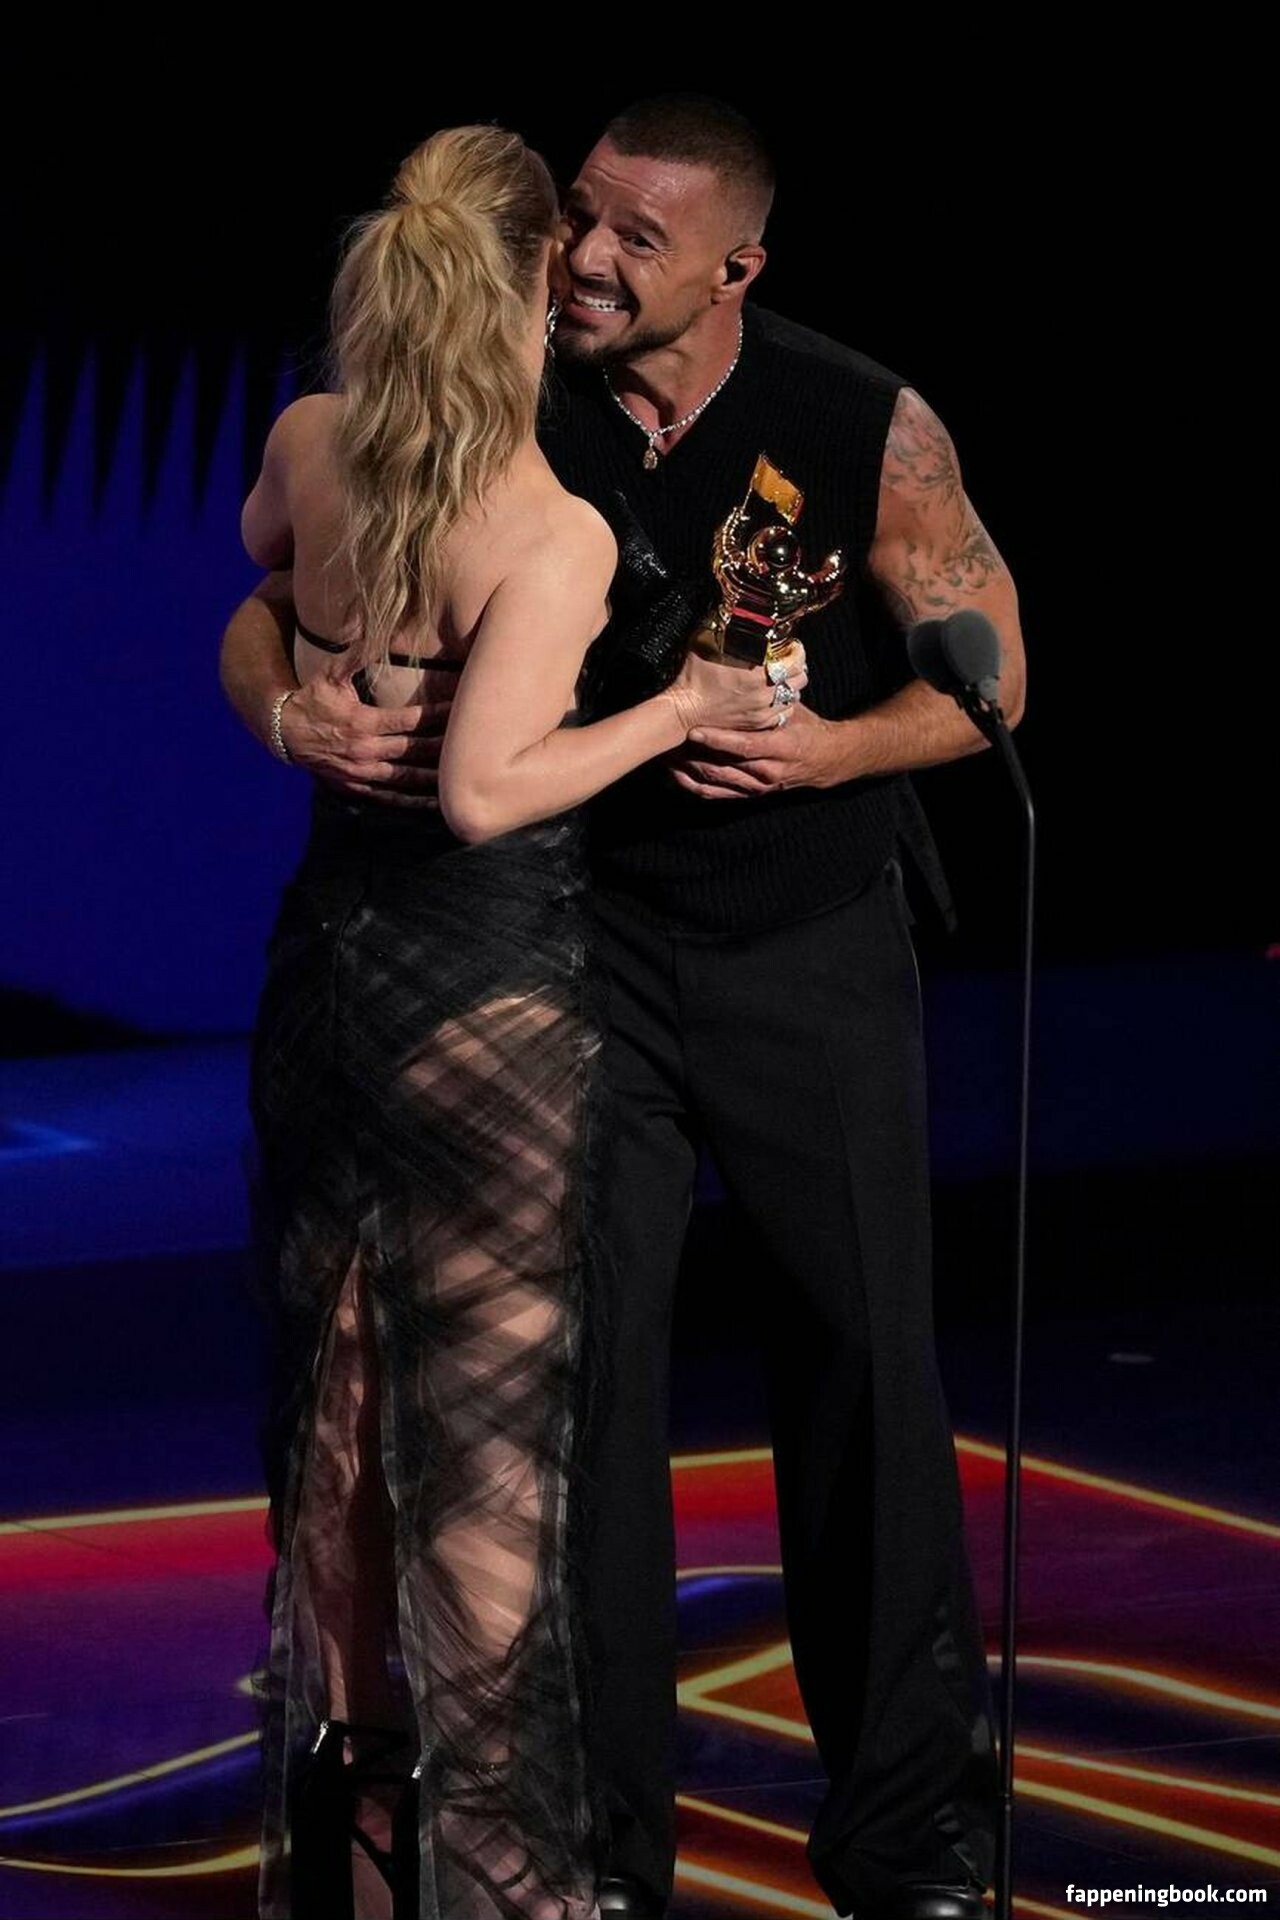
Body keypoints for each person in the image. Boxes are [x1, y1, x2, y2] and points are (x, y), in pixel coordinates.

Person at [222, 97, 1026, 1920]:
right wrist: (284, 703)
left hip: (803, 950)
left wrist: (831, 751)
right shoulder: (505, 394)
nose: (583, 261)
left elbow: (997, 680)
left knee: (865, 1362)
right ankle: (595, 1850)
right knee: (578, 1405)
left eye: (633, 241)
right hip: (575, 957)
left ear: (737, 267)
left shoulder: (854, 416)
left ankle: (910, 1837)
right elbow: (270, 592)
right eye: (575, 220)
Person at [239, 121, 798, 1920]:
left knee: (337, 1424)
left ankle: (356, 1860)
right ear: (524, 296)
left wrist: (286, 707)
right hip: (482, 1014)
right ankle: (497, 1878)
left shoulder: (309, 443)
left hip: (328, 992)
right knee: (483, 1456)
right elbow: (488, 791)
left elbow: (258, 590)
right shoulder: (543, 525)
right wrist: (681, 708)